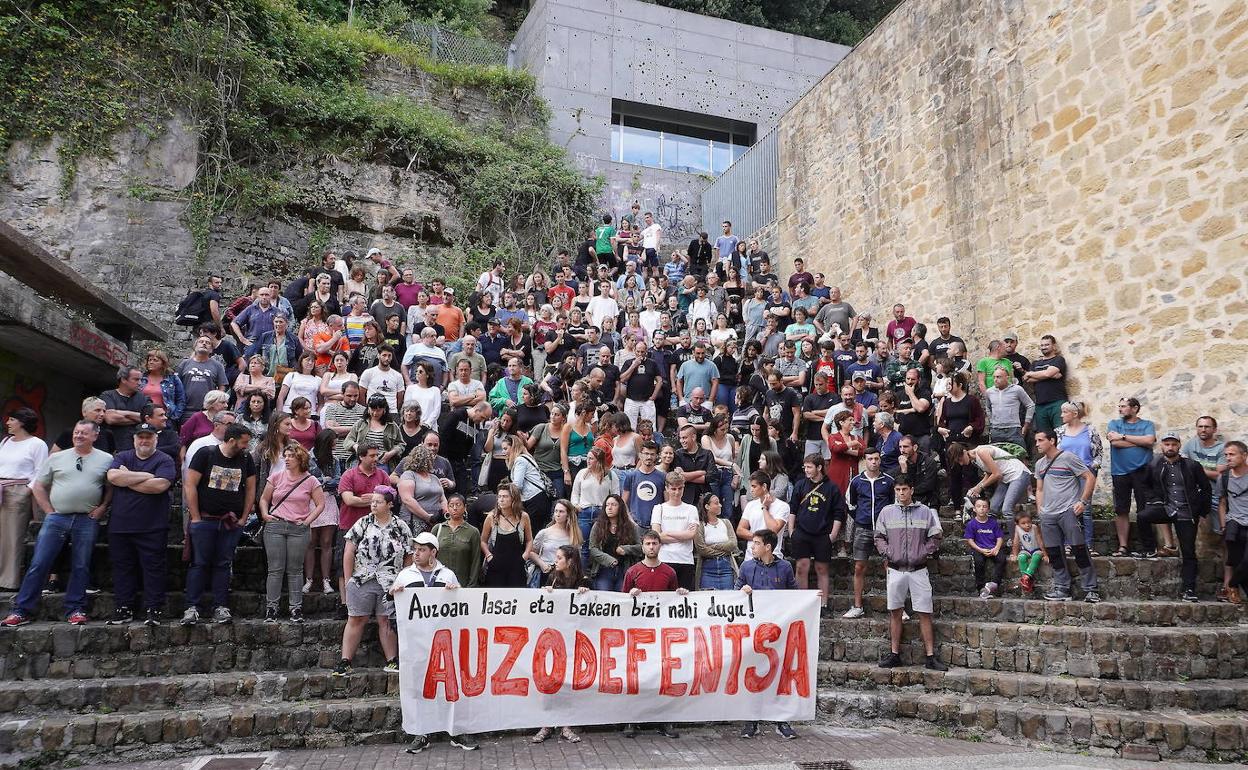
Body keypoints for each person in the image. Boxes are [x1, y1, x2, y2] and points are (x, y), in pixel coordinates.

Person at [2, 421, 110, 627]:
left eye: (84, 433)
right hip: (57, 517)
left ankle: (75, 609)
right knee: (39, 563)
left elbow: (109, 486)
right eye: (76, 432)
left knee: (81, 565)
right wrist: (49, 512)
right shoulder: (57, 457)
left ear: (95, 436)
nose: (78, 436)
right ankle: (21, 610)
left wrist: (103, 506)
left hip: (86, 520)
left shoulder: (106, 459)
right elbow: (39, 486)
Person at [180, 423, 257, 626]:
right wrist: (195, 517)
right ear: (231, 440)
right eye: (244, 442)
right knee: (199, 563)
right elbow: (190, 484)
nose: (246, 446)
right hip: (205, 519)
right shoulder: (206, 454)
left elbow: (250, 489)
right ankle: (192, 607)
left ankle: (220, 606)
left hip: (231, 522)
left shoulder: (246, 459)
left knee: (223, 564)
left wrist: (243, 518)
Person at [102, 422, 176, 626]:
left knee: (153, 569)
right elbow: (113, 476)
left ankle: (153, 608)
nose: (144, 440)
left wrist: (128, 478)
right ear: (134, 439)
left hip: (152, 526)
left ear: (156, 439)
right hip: (120, 526)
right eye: (140, 437)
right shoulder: (122, 457)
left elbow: (160, 485)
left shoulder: (165, 459)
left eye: (148, 437)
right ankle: (123, 607)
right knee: (122, 568)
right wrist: (146, 476)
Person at [334, 485, 413, 677]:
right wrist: (348, 579)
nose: (373, 505)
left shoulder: (400, 526)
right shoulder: (363, 523)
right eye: (372, 501)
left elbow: (409, 556)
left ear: (389, 504)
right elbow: (349, 552)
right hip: (363, 578)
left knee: (386, 620)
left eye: (378, 502)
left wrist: (403, 579)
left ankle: (392, 660)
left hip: (390, 581)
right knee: (356, 618)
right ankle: (345, 661)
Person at [875, 476, 947, 671]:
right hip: (895, 569)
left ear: (912, 490)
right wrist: (888, 552)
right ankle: (894, 654)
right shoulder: (886, 512)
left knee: (925, 612)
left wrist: (923, 552)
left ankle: (930, 656)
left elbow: (935, 536)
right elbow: (879, 537)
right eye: (898, 490)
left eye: (904, 489)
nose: (901, 493)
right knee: (895, 612)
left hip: (919, 569)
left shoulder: (925, 512)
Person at [620, 529, 687, 738]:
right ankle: (632, 720)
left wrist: (680, 595)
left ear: (660, 546)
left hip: (661, 633)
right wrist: (631, 595)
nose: (651, 547)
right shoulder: (632, 572)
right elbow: (620, 604)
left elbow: (674, 600)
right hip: (639, 633)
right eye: (648, 544)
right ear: (642, 546)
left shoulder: (669, 572)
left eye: (654, 544)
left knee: (662, 677)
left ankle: (664, 720)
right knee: (637, 678)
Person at [735, 527, 800, 739]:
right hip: (754, 630)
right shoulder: (746, 567)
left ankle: (781, 721)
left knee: (780, 673)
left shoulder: (785, 567)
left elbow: (794, 595)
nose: (752, 546)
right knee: (753, 673)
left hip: (778, 630)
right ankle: (751, 720)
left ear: (768, 547)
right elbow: (734, 597)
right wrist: (742, 592)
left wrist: (812, 598)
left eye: (756, 543)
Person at [1141, 431, 1211, 602]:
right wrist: (1155, 500)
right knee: (1142, 517)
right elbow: (1145, 485)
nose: (1170, 447)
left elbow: (1206, 488)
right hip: (1166, 508)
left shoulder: (1192, 465)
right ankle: (1149, 549)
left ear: (1179, 446)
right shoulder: (1154, 464)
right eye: (1167, 444)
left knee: (1188, 552)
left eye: (1173, 444)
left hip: (1186, 513)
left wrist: (1201, 511)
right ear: (1161, 446)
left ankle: (1189, 589)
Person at [258, 442, 324, 623]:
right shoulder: (276, 476)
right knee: (275, 569)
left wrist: (307, 521)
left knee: (295, 570)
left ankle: (296, 608)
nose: (286, 459)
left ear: (300, 458)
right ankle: (272, 608)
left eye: (291, 456)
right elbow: (264, 498)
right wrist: (265, 514)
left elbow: (320, 504)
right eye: (285, 456)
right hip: (276, 524)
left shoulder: (311, 480)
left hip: (298, 527)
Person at [1034, 429, 1101, 603]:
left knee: (1079, 549)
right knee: (1055, 553)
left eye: (1041, 440)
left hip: (1068, 511)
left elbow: (1089, 477)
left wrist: (1083, 501)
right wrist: (1040, 509)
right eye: (1036, 441)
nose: (1037, 444)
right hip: (1048, 514)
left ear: (1052, 440)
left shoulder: (1069, 458)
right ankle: (1062, 589)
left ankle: (1091, 589)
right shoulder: (1040, 464)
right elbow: (1039, 489)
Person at [788, 454, 847, 615]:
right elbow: (793, 509)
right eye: (805, 467)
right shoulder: (800, 485)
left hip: (822, 533)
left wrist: (833, 535)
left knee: (822, 569)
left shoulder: (832, 488)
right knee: (801, 566)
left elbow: (838, 513)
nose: (806, 470)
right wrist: (791, 531)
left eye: (809, 467)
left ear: (819, 467)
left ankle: (823, 605)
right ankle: (802, 604)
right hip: (802, 532)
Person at [843, 448, 895, 618]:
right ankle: (857, 606)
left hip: (885, 530)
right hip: (863, 528)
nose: (874, 462)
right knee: (859, 567)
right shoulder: (857, 481)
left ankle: (896, 606)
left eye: (876, 458)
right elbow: (850, 504)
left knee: (891, 566)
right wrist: (861, 518)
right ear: (865, 461)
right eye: (870, 459)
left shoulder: (889, 481)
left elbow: (895, 504)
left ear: (880, 460)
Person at [0, 408, 48, 590]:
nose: (8, 423)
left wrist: (26, 492)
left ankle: (8, 581)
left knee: (13, 537)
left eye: (11, 419)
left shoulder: (37, 444)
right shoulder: (5, 441)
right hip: (1, 488)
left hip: (18, 491)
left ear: (21, 422)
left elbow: (40, 471)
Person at [949, 441, 1032, 539]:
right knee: (992, 508)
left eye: (960, 459)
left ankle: (1015, 540)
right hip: (1006, 478)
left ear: (964, 451)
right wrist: (976, 487)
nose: (961, 463)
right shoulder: (975, 460)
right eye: (958, 462)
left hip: (1018, 474)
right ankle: (989, 538)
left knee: (1006, 509)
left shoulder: (981, 452)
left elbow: (997, 474)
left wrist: (981, 487)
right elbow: (989, 473)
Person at [1107, 397, 1157, 557]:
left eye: (1123, 406)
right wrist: (1140, 442)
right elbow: (1114, 443)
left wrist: (1123, 437)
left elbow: (1150, 440)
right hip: (1120, 471)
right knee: (1121, 509)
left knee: (1145, 508)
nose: (1120, 409)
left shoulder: (1147, 424)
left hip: (1143, 470)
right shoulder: (1114, 424)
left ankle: (1148, 547)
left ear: (1135, 408)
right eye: (1119, 406)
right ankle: (1123, 547)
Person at [1055, 401, 1104, 555]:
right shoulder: (1059, 432)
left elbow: (1099, 453)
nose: (1061, 415)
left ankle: (1088, 545)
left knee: (1086, 509)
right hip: (1066, 475)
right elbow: (1055, 453)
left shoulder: (1090, 431)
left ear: (1074, 414)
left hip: (1086, 474)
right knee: (1067, 509)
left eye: (1064, 412)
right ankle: (1068, 543)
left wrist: (1093, 468)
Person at [651, 469, 698, 591]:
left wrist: (667, 533)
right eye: (673, 489)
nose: (677, 492)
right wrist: (682, 535)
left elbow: (691, 534)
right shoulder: (658, 508)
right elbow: (656, 536)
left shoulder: (691, 509)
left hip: (685, 560)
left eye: (680, 488)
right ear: (667, 488)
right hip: (664, 559)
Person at [480, 483, 534, 588]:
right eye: (499, 496)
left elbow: (529, 540)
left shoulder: (523, 517)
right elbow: (483, 541)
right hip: (496, 566)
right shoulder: (492, 517)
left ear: (514, 499)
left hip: (517, 567)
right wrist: (489, 556)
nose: (501, 499)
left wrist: (525, 555)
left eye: (505, 496)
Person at [429, 494, 482, 588]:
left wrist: (471, 586)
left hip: (462, 583)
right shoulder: (438, 529)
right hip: (439, 583)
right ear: (447, 508)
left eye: (458, 504)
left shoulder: (473, 531)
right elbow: (430, 557)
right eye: (451, 505)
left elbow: (476, 561)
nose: (455, 508)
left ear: (465, 507)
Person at [738, 470, 791, 563]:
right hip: (750, 558)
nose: (751, 489)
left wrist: (765, 508)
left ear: (764, 486)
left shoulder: (783, 506)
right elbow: (740, 530)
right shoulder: (751, 505)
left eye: (754, 486)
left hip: (772, 558)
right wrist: (759, 540)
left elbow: (773, 530)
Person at [1219, 441, 1248, 605]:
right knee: (1236, 561)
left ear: (1244, 456)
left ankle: (1232, 584)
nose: (1228, 458)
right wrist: (1224, 525)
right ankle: (1235, 589)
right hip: (1233, 524)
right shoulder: (1224, 478)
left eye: (1232, 454)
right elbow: (1222, 503)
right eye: (1226, 455)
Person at [530, 498, 583, 587]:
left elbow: (577, 557)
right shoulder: (544, 532)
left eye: (561, 511)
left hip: (566, 575)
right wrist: (542, 564)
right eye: (556, 511)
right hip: (547, 572)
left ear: (568, 514)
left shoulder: (575, 535)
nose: (557, 514)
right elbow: (532, 552)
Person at [1022, 335, 1068, 435]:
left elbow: (1046, 374)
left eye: (1047, 345)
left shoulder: (1059, 360)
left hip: (1057, 402)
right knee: (1044, 437)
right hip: (1040, 405)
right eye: (1042, 345)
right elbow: (1027, 379)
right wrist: (1049, 374)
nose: (1044, 347)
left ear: (1054, 346)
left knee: (1061, 433)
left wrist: (1032, 373)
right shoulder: (1035, 363)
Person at [694, 492, 739, 590]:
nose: (720, 505)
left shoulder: (726, 523)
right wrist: (723, 550)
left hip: (726, 567)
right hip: (707, 569)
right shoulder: (700, 526)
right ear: (707, 506)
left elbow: (733, 544)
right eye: (716, 503)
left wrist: (714, 546)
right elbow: (701, 549)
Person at [964, 497, 1006, 599]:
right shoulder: (971, 524)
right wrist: (980, 550)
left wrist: (996, 548)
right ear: (974, 509)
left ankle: (994, 584)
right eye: (978, 506)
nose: (982, 509)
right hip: (979, 549)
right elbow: (970, 540)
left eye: (984, 506)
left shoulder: (993, 523)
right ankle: (981, 588)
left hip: (992, 548)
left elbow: (1000, 538)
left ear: (988, 509)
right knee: (979, 562)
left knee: (1001, 559)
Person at [985, 366, 1034, 448]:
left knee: (1019, 456)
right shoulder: (989, 392)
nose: (995, 380)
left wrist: (1026, 425)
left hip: (1013, 429)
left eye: (998, 377)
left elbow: (1030, 405)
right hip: (996, 430)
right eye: (994, 377)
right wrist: (992, 421)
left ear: (1007, 378)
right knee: (997, 458)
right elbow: (988, 407)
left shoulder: (1017, 389)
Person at [1011, 510, 1047, 596]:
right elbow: (1016, 542)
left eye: (1028, 522)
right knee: (1022, 557)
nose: (1027, 525)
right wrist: (1015, 554)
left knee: (1036, 557)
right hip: (1026, 549)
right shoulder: (1017, 529)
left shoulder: (1034, 527)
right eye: (1023, 523)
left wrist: (1045, 554)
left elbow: (1040, 541)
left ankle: (1025, 577)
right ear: (1017, 524)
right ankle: (1026, 581)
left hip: (1036, 549)